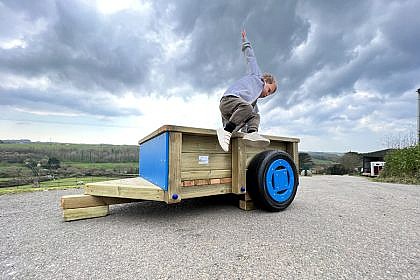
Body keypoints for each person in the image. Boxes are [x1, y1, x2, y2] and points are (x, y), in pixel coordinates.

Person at [217, 30, 277, 152]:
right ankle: (226, 131)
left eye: (270, 94)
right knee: (248, 108)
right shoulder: (256, 76)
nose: (267, 94)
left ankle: (252, 134)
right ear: (265, 81)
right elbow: (250, 58)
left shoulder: (253, 102)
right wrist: (245, 42)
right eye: (269, 90)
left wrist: (245, 132)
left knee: (255, 115)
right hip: (228, 100)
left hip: (233, 113)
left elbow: (248, 116)